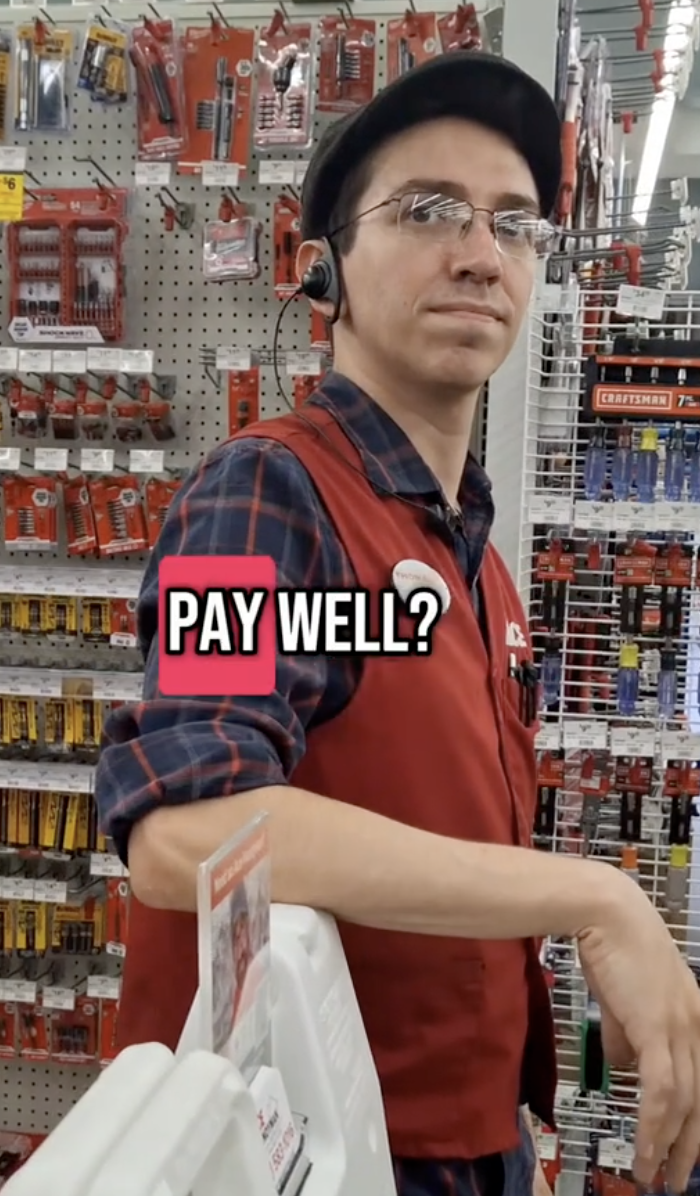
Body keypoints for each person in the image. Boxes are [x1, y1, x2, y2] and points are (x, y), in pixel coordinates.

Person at [95, 51, 700, 1196]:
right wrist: (591, 893)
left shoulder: (471, 563)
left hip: (459, 1146)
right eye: (427, 210)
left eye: (514, 224)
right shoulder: (262, 493)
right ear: (322, 267)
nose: (479, 253)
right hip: (312, 1155)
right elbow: (186, 829)